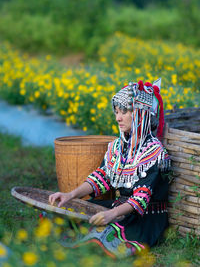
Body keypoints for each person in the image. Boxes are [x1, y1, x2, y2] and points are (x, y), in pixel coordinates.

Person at [49, 79, 171, 258]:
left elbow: (141, 199)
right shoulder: (117, 147)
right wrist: (71, 195)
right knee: (67, 212)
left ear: (139, 114)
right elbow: (101, 178)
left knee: (104, 233)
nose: (118, 118)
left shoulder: (155, 152)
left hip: (145, 217)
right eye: (116, 112)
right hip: (118, 207)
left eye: (124, 112)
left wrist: (112, 214)